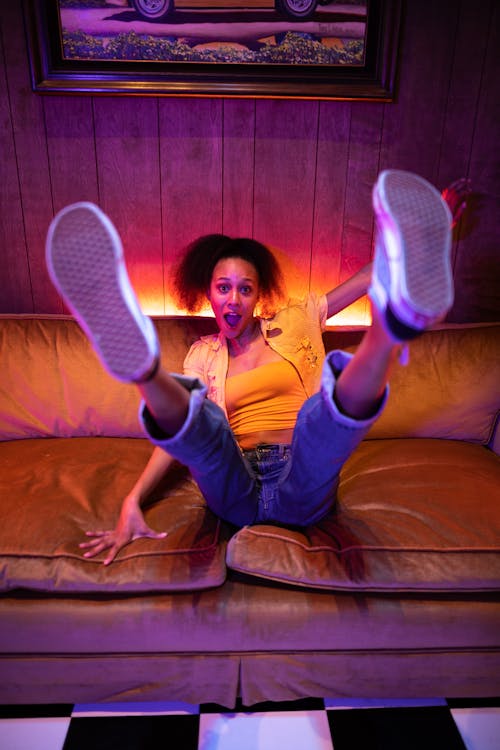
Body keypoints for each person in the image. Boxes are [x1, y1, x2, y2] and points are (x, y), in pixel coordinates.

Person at [46, 171, 470, 565]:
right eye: (223, 288)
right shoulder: (203, 354)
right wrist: (132, 499)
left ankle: (392, 326)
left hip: (301, 477)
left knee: (317, 420)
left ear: (257, 296)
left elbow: (365, 276)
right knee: (204, 421)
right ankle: (142, 369)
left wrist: (424, 241)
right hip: (237, 487)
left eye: (245, 290)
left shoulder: (297, 318)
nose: (234, 300)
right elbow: (186, 440)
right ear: (208, 295)